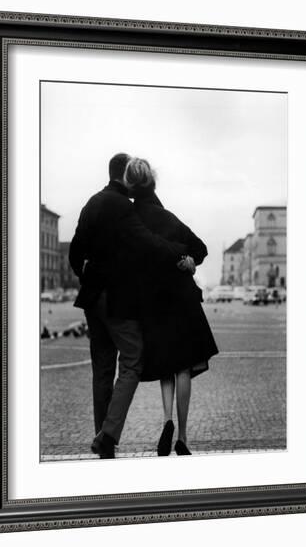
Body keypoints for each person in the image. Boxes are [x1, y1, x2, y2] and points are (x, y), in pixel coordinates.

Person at [69, 153, 194, 458]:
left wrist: (89, 277)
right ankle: (109, 434)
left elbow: (75, 252)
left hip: (91, 297)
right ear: (125, 174)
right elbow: (147, 242)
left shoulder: (91, 203)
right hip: (116, 297)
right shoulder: (123, 207)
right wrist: (180, 252)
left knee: (101, 369)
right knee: (133, 360)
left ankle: (104, 443)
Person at [124, 157, 219, 456]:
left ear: (129, 183)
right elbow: (200, 248)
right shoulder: (168, 218)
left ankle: (166, 420)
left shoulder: (130, 218)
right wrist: (189, 259)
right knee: (183, 368)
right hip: (182, 299)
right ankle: (184, 436)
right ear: (153, 182)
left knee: (166, 365)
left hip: (152, 302)